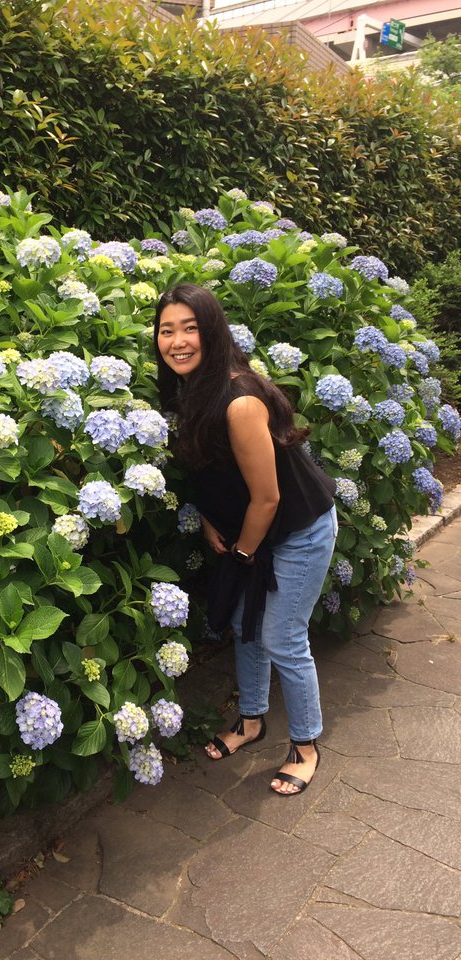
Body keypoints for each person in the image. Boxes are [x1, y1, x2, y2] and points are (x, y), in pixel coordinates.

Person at [154, 283, 337, 796]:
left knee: (281, 635)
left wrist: (242, 553)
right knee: (242, 625)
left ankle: (305, 744)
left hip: (298, 529)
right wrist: (213, 520)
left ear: (213, 333)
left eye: (190, 328)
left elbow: (268, 498)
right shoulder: (187, 391)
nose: (178, 341)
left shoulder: (238, 402)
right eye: (167, 330)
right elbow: (215, 471)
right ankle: (252, 721)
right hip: (250, 529)